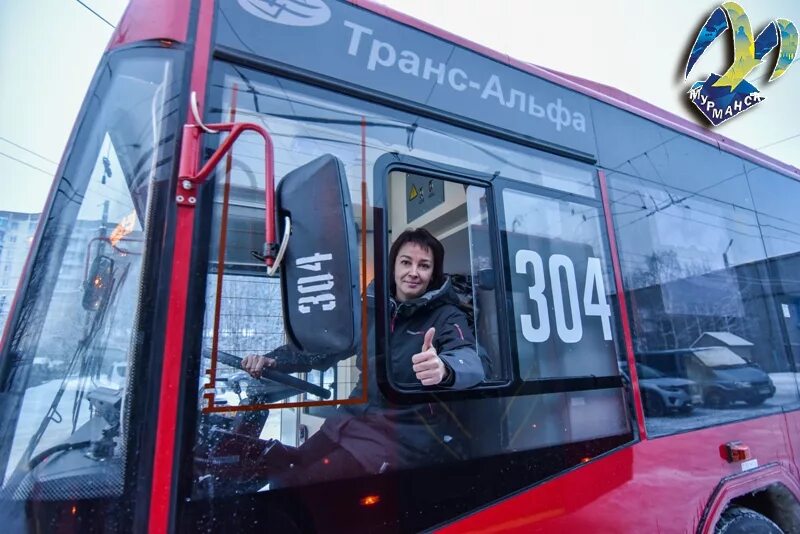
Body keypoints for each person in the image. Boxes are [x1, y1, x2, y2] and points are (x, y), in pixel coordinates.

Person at [241, 227, 485, 487]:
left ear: (433, 274)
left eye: (424, 265)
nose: (413, 272)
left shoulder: (447, 315)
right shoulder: (370, 311)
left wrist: (445, 369)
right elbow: (325, 348)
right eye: (406, 262)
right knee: (287, 474)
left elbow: (471, 359)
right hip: (348, 419)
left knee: (302, 487)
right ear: (393, 267)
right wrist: (274, 360)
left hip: (401, 435)